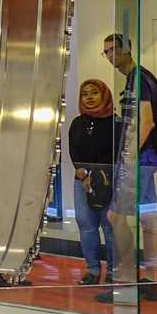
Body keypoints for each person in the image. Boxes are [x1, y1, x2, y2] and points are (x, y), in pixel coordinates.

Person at [100, 32, 157, 302]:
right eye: (107, 51)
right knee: (149, 218)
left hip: (140, 160)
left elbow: (146, 122)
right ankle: (150, 280)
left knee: (116, 217)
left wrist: (130, 156)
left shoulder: (139, 78)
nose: (111, 55)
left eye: (114, 49)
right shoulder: (136, 78)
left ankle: (125, 278)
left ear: (127, 48)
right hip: (147, 160)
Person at [66, 79, 117, 285]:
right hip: (82, 181)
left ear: (104, 95)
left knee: (110, 227)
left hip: (108, 181)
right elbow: (73, 150)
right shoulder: (77, 123)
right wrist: (82, 172)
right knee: (86, 225)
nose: (89, 97)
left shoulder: (116, 122)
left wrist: (96, 175)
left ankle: (114, 271)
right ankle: (92, 271)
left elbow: (114, 153)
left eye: (94, 93)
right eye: (85, 93)